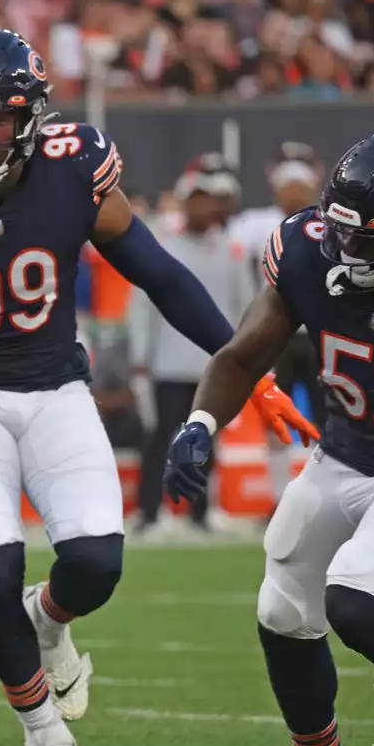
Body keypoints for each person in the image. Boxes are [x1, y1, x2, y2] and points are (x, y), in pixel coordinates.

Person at [0, 28, 317, 746]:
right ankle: (42, 732)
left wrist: (250, 372)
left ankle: (51, 617)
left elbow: (160, 276)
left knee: (97, 562)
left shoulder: (75, 171)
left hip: (58, 385)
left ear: (28, 117)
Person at [165, 129, 374, 746]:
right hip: (344, 449)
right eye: (343, 230)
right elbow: (240, 355)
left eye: (371, 239)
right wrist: (199, 425)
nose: (348, 251)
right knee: (283, 609)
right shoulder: (309, 252)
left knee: (355, 597)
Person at [130, 155, 252, 532]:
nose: (203, 206)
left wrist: (244, 357)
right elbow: (142, 302)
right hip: (167, 363)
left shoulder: (232, 250)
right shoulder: (162, 244)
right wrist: (141, 354)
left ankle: (200, 513)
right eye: (196, 198)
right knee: (159, 438)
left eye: (208, 199)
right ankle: (149, 513)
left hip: (214, 365)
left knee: (206, 441)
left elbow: (245, 307)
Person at [229, 142, 327, 503]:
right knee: (276, 422)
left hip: (320, 331)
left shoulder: (331, 222)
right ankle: (277, 499)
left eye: (299, 184)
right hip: (275, 333)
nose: (294, 191)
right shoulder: (254, 225)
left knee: (329, 418)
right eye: (289, 184)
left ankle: (329, 494)